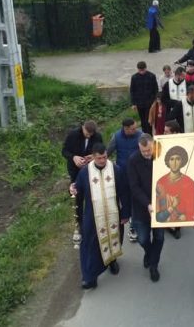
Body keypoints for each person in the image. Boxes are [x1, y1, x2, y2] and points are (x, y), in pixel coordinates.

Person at [71, 143, 131, 289]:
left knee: (113, 237)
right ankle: (90, 277)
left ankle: (112, 261)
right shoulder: (85, 172)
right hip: (92, 216)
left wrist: (125, 213)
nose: (103, 161)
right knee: (90, 244)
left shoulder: (116, 170)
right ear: (93, 157)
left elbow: (124, 192)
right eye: (99, 158)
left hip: (113, 215)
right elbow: (77, 191)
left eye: (104, 157)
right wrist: (72, 190)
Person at [127, 134, 163, 282]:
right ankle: (149, 253)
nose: (147, 154)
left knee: (159, 237)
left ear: (153, 145)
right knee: (142, 239)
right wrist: (147, 204)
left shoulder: (161, 155)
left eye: (149, 150)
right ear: (139, 148)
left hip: (161, 205)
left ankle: (154, 266)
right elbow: (134, 187)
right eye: (144, 151)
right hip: (142, 208)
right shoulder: (133, 160)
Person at [62, 120, 103, 245]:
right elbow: (64, 151)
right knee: (78, 197)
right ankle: (79, 224)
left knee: (93, 195)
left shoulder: (97, 136)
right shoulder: (73, 134)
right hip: (75, 171)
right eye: (87, 133)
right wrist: (73, 157)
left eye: (91, 134)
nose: (89, 136)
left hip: (92, 171)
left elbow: (101, 151)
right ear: (83, 128)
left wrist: (93, 156)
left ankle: (95, 221)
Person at [106, 118, 143, 242]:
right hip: (122, 175)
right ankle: (127, 222)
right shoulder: (116, 137)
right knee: (125, 200)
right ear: (125, 129)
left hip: (137, 175)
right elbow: (108, 152)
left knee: (136, 200)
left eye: (135, 127)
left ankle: (134, 227)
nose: (135, 130)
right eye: (133, 129)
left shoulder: (140, 136)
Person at [155, 145, 194, 224]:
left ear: (182, 161)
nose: (174, 163)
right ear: (168, 161)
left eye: (178, 159)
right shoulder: (160, 182)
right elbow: (158, 215)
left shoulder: (190, 183)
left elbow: (192, 212)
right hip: (163, 221)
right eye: (172, 159)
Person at [130, 61, 159, 134]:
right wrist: (133, 103)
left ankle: (149, 134)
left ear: (146, 68)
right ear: (138, 69)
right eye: (140, 70)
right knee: (142, 120)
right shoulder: (134, 77)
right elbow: (132, 90)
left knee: (148, 120)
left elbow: (155, 89)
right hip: (139, 103)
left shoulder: (152, 76)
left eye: (143, 70)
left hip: (150, 103)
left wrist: (155, 100)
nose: (142, 72)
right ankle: (144, 134)